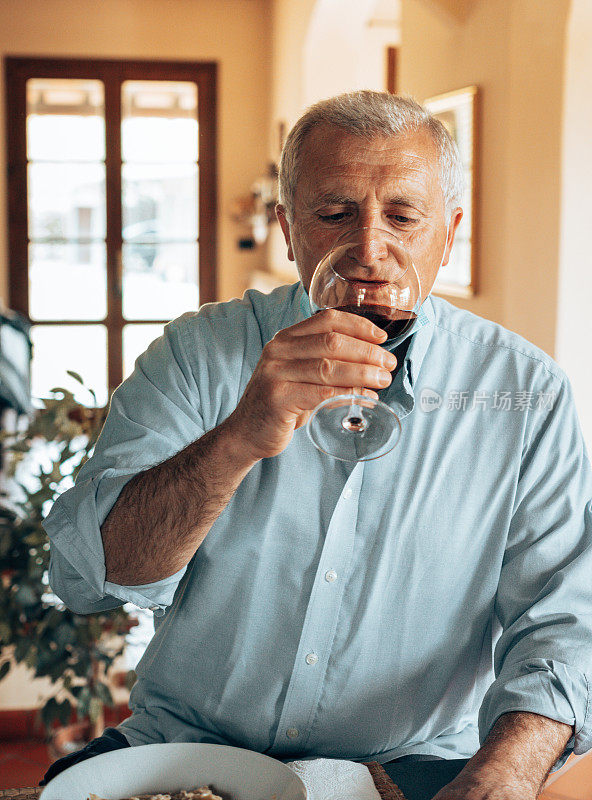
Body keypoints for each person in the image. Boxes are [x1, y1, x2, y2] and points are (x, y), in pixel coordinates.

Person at [43, 91, 592, 799]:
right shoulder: (195, 353)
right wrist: (239, 437)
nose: (369, 251)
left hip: (411, 765)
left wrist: (507, 772)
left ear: (448, 233)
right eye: (334, 214)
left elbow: (564, 617)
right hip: (186, 749)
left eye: (402, 216)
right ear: (287, 228)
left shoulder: (528, 391)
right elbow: (96, 577)